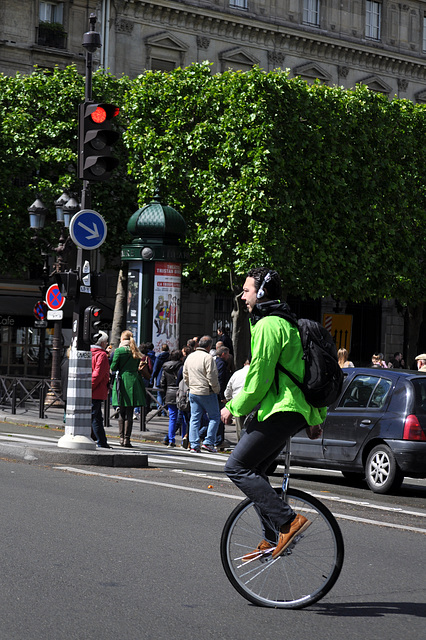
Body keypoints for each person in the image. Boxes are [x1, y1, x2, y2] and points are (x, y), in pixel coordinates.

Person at [221, 267, 326, 561]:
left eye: (247, 290)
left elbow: (260, 378)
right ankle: (271, 537)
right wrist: (314, 418)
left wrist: (232, 407)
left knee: (236, 466)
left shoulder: (268, 325)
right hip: (291, 410)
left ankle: (288, 521)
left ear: (262, 293)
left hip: (282, 410)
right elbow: (304, 376)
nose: (243, 296)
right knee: (257, 471)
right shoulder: (286, 323)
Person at [183, 335, 221, 453]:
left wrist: (190, 385)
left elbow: (185, 374)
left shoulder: (190, 357)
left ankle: (194, 444)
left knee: (194, 418)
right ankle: (208, 442)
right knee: (214, 417)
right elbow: (212, 376)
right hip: (206, 391)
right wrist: (216, 389)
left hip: (193, 391)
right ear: (209, 346)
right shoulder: (208, 358)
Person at [111, 330, 146, 447]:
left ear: (122, 339)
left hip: (122, 381)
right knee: (130, 412)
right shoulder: (135, 350)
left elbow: (113, 367)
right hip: (134, 381)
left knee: (122, 411)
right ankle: (127, 439)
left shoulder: (119, 351)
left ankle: (121, 438)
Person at [160, 349, 185, 448]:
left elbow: (162, 382)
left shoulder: (165, 366)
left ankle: (171, 440)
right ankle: (184, 439)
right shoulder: (182, 366)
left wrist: (166, 391)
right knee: (183, 417)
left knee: (172, 417)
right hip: (181, 392)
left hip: (170, 392)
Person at [91, 331, 111, 449]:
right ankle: (101, 441)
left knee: (92, 416)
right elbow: (98, 374)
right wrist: (91, 387)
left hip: (89, 389)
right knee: (97, 417)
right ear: (103, 343)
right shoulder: (102, 355)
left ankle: (95, 438)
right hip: (96, 390)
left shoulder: (89, 352)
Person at [224, 358, 250, 441]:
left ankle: (241, 446)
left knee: (240, 428)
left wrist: (229, 400)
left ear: (244, 364)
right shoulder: (256, 373)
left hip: (237, 403)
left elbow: (228, 390)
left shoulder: (236, 374)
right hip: (252, 403)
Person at [150, 343, 169, 417]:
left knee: (159, 394)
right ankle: (165, 410)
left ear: (161, 349)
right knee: (166, 395)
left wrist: (152, 378)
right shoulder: (170, 357)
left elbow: (155, 369)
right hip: (168, 378)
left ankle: (160, 409)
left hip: (159, 378)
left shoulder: (159, 357)